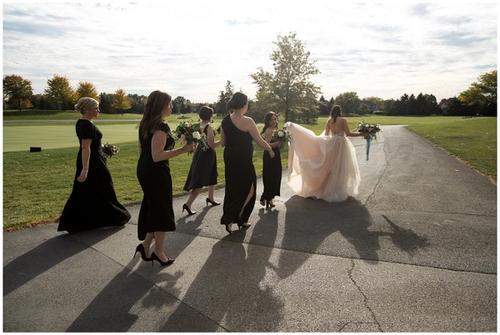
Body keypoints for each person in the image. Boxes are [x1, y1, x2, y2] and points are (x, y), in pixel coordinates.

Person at [136, 90, 193, 266]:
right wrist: (183, 150)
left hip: (146, 169)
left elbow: (144, 151)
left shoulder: (146, 124)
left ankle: (145, 246)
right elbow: (157, 155)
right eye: (169, 104)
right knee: (161, 210)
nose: (171, 106)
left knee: (155, 208)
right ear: (161, 106)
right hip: (155, 172)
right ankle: (158, 252)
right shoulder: (161, 127)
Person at [58, 97, 131, 233]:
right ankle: (116, 217)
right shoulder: (86, 125)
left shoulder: (83, 123)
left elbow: (91, 145)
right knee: (104, 189)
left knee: (87, 191)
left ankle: (77, 222)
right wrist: (85, 170)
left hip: (94, 159)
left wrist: (104, 148)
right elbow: (86, 148)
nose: (98, 110)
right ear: (86, 109)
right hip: (93, 163)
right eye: (96, 108)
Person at [220, 92, 275, 234]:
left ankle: (236, 218)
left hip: (230, 158)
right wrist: (269, 149)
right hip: (243, 159)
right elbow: (260, 141)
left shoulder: (225, 120)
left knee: (233, 187)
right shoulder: (248, 121)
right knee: (250, 188)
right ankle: (236, 216)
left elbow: (223, 143)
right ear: (244, 104)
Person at [286, 104, 363, 202]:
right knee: (340, 167)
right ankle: (336, 188)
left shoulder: (329, 121)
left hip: (332, 144)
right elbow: (348, 134)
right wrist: (362, 133)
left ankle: (327, 188)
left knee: (330, 166)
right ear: (340, 111)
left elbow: (326, 135)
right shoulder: (343, 120)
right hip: (341, 145)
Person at [182, 106, 221, 215]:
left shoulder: (198, 125)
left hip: (200, 153)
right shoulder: (208, 127)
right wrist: (222, 141)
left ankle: (210, 198)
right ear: (210, 115)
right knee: (200, 180)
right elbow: (211, 145)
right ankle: (188, 204)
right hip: (206, 155)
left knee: (213, 175)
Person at [260, 112, 282, 209]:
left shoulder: (276, 130)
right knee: (270, 176)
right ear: (268, 121)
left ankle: (269, 198)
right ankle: (266, 197)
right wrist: (277, 143)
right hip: (270, 155)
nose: (274, 121)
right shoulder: (269, 130)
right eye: (272, 119)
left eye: (275, 119)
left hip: (276, 154)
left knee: (276, 175)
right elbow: (266, 145)